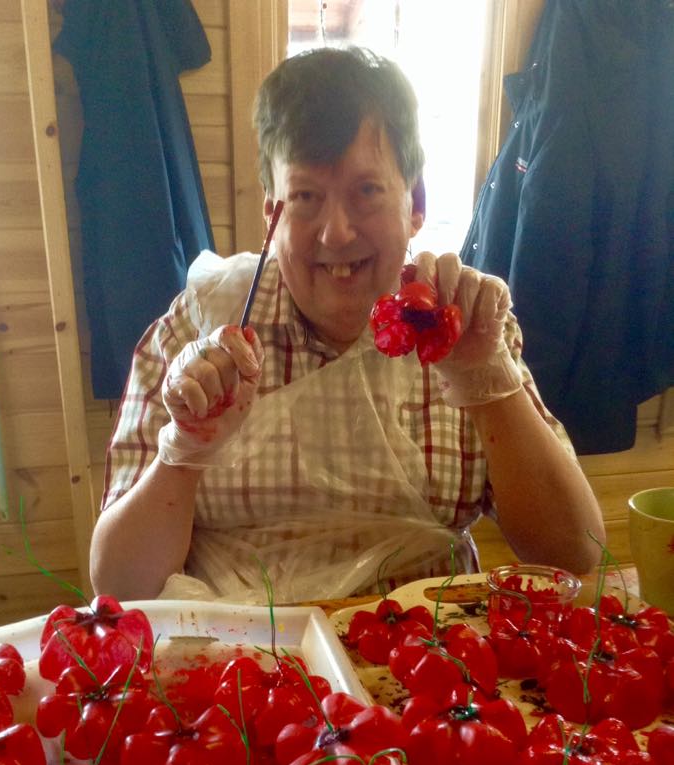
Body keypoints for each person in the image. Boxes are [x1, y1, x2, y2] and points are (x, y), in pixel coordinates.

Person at [90, 46, 604, 604]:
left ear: (416, 204)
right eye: (306, 197)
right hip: (237, 665)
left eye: (366, 192)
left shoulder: (464, 325)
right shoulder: (193, 329)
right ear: (272, 214)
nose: (335, 233)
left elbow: (574, 551)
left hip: (420, 661)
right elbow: (119, 585)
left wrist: (485, 377)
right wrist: (185, 449)